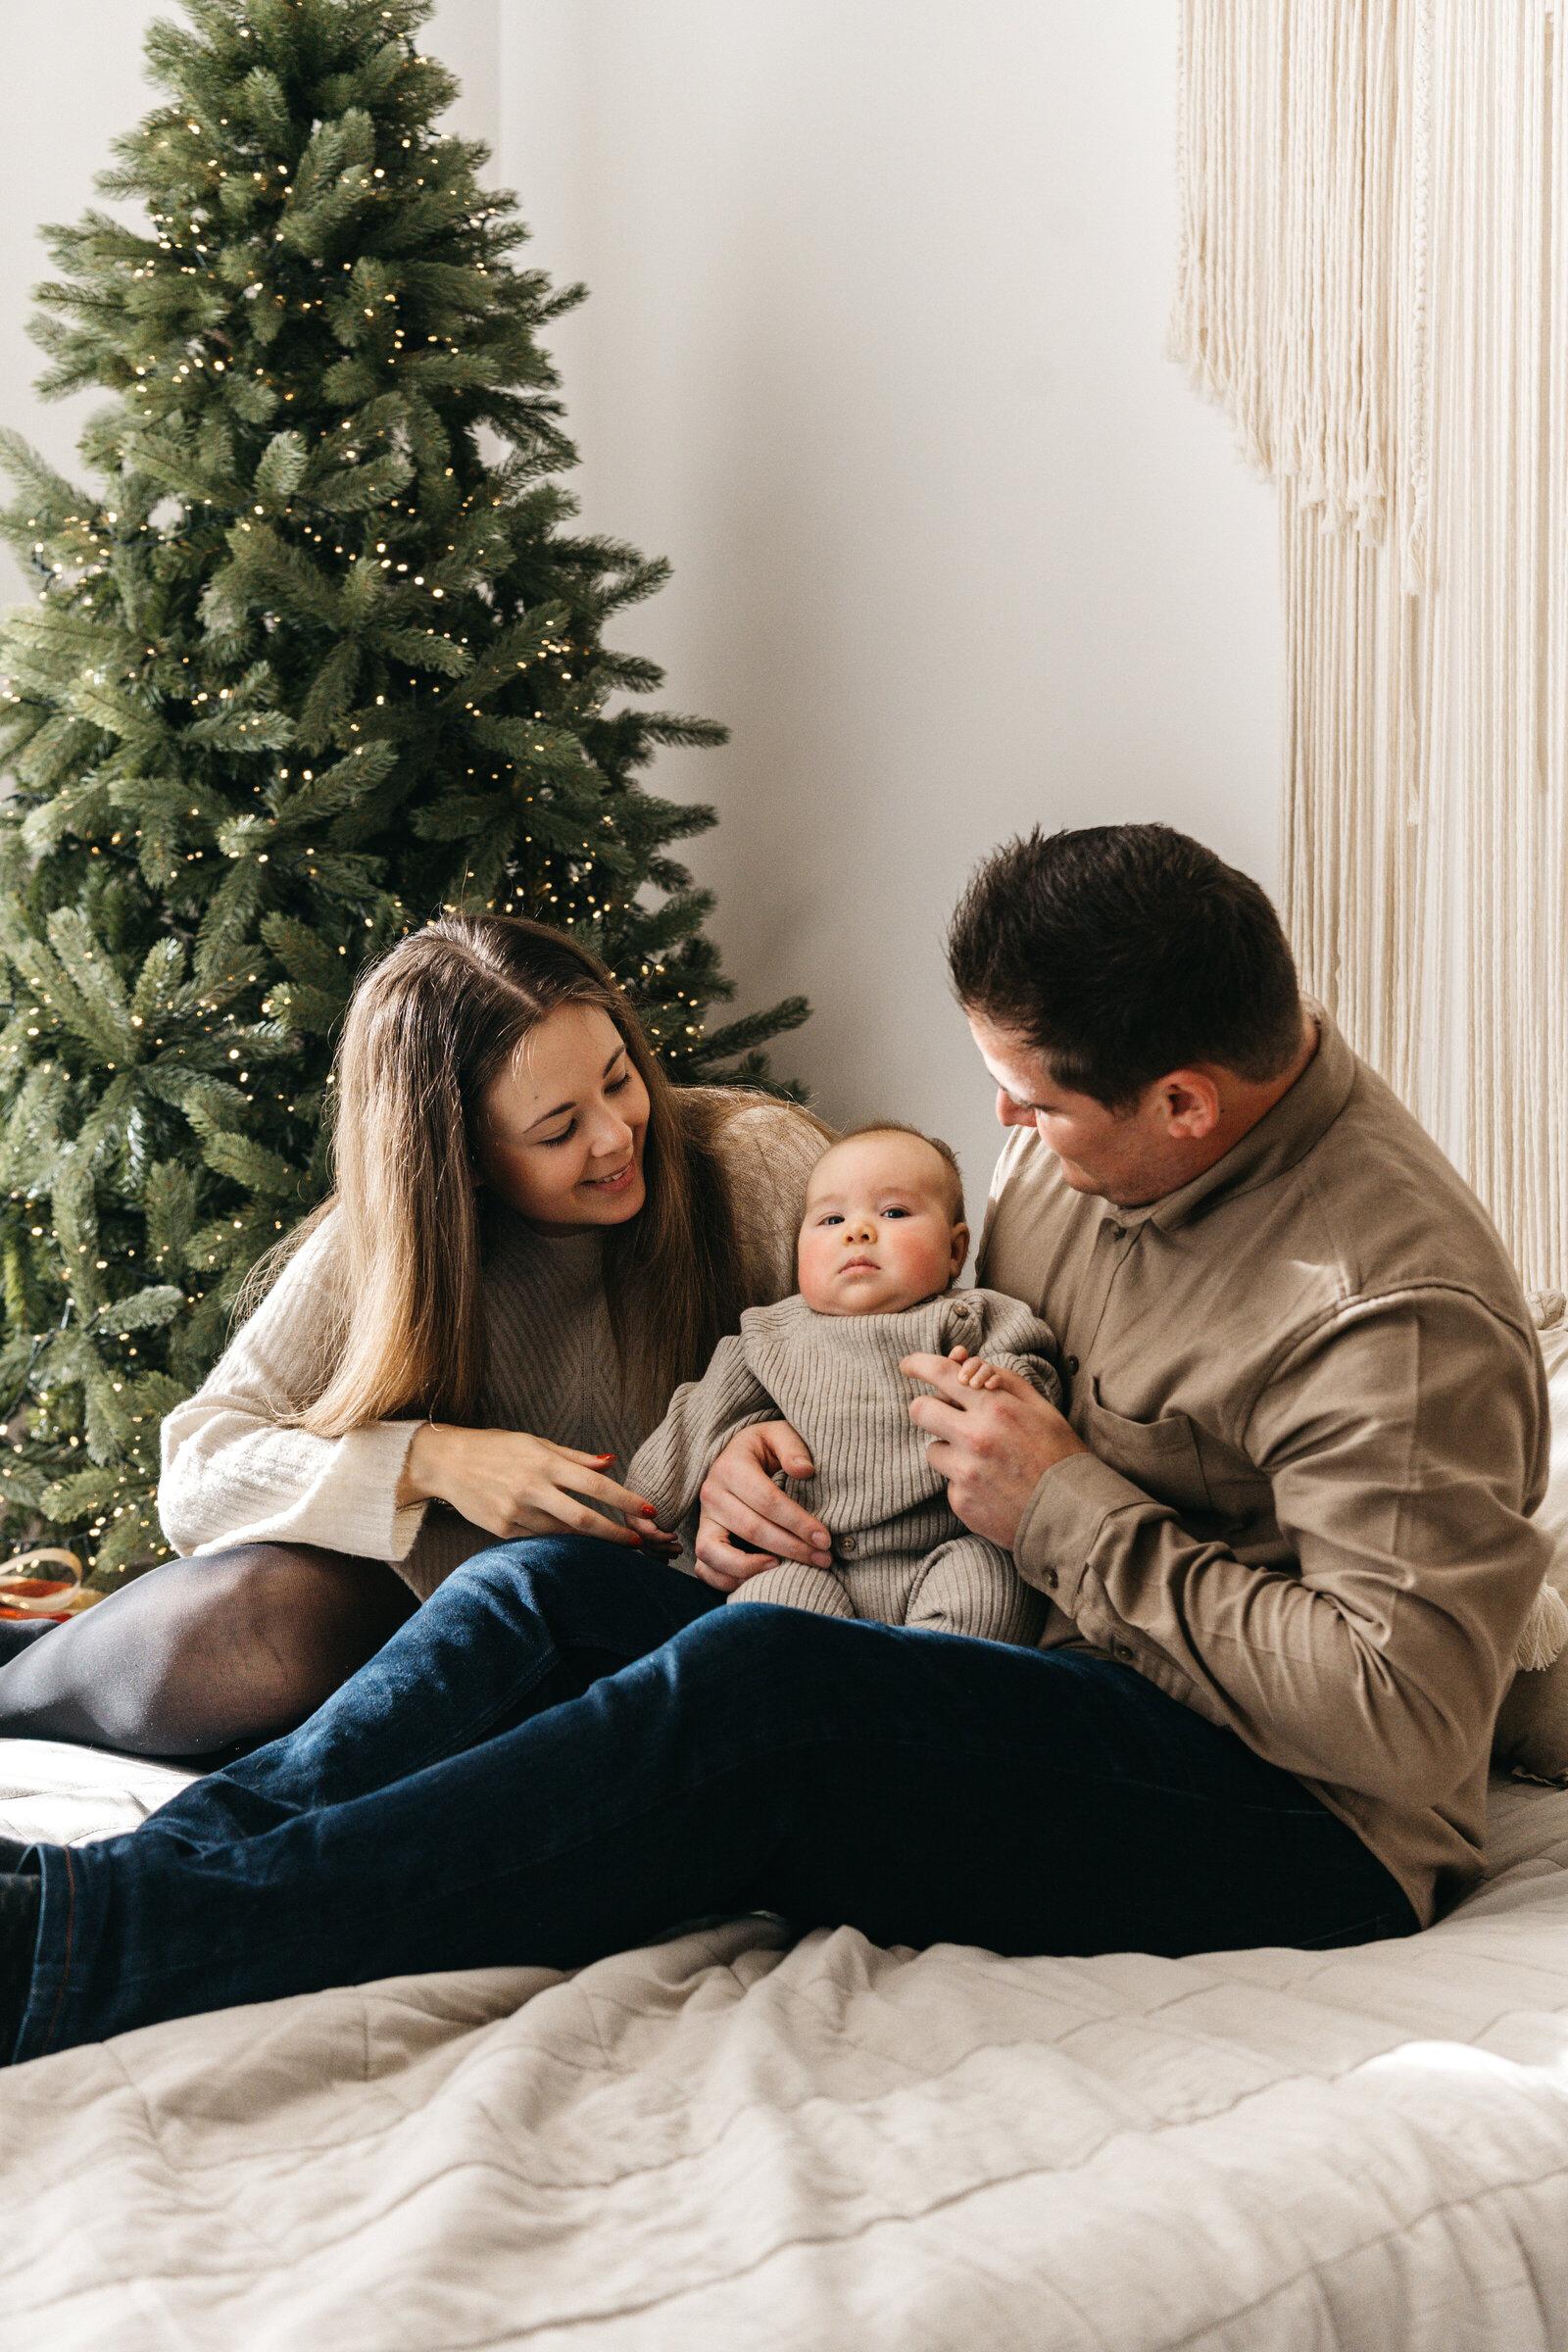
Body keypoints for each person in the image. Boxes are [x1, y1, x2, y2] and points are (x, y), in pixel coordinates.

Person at [0, 822, 1550, 2065]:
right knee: (535, 1592)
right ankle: (99, 1896)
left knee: (771, 1694)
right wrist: (755, 1443)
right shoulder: (1101, 1149)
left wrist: (1066, 1507)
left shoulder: (1390, 1315)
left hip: (1290, 1817)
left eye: (1031, 1106)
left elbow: (1404, 1727)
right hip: (1035, 1663)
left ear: (1188, 1102)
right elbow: (924, 1357)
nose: (1001, 1133)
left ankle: (120, 1954)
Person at [0, 915, 828, 1754]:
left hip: (684, 1622)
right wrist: (434, 1461)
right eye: (557, 1130)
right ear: (460, 1156)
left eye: (619, 1080)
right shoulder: (389, 1243)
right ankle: (26, 1680)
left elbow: (911, 1351)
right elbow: (197, 1474)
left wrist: (764, 1442)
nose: (615, 1136)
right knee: (244, 1623)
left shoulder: (757, 1168)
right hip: (438, 1627)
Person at [629, 1122, 1059, 1641]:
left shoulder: (970, 1316)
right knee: (767, 1611)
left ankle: (926, 1706)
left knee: (991, 1586)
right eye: (831, 1219)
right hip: (810, 1557)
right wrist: (646, 1507)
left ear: (954, 1251)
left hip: (940, 1549)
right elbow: (699, 1416)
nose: (857, 1231)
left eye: (893, 1213)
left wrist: (998, 1381)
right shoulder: (770, 1334)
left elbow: (1034, 1373)